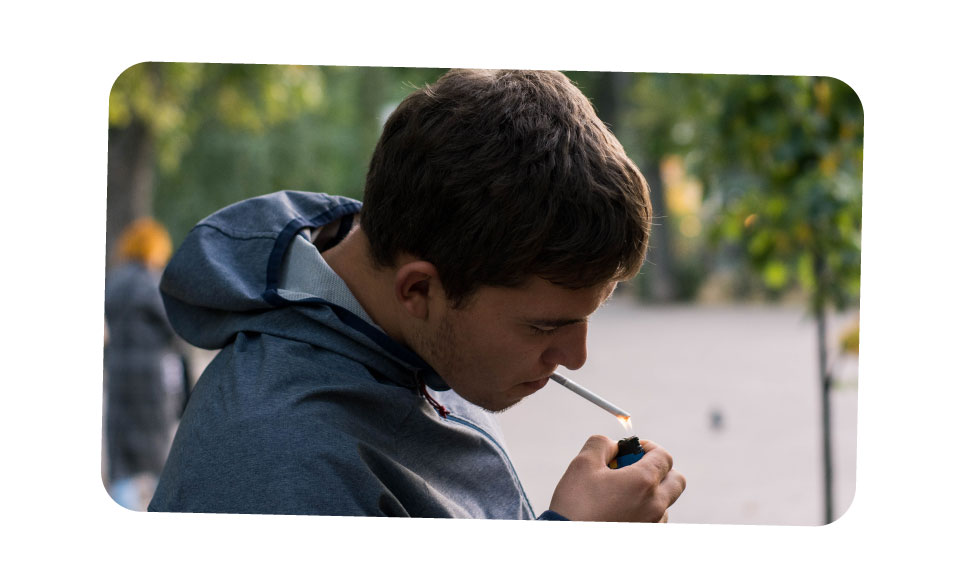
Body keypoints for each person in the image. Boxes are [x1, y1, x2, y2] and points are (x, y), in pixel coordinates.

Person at [149, 69, 686, 521]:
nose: (577, 357)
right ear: (419, 289)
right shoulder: (269, 463)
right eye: (545, 327)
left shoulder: (415, 338)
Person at [104, 218, 188, 510]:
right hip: (151, 386)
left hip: (118, 381)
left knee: (123, 463)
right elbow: (177, 328)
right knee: (155, 463)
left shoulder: (113, 282)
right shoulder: (153, 284)